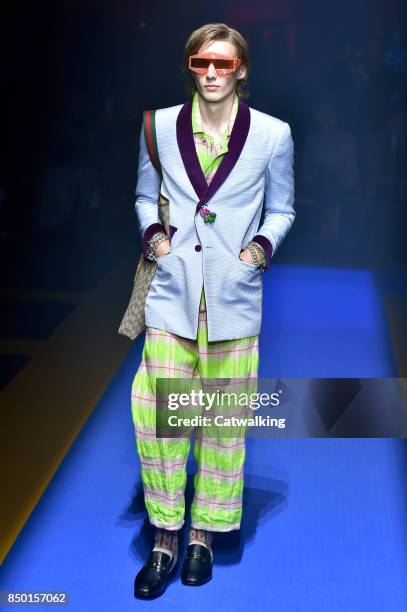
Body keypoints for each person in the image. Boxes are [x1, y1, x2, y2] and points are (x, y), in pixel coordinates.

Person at [132, 22, 295, 599]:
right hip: (173, 294)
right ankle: (164, 538)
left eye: (223, 64)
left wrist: (257, 252)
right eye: (202, 62)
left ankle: (202, 532)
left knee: (221, 425)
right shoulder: (158, 126)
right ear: (190, 66)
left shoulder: (273, 135)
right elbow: (143, 192)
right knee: (160, 419)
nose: (211, 73)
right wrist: (157, 239)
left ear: (241, 69)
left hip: (232, 294)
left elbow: (282, 209)